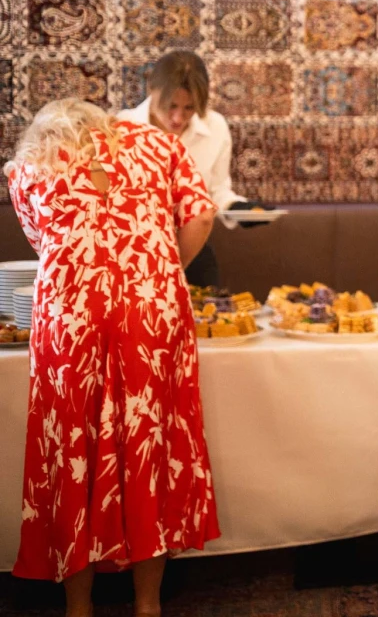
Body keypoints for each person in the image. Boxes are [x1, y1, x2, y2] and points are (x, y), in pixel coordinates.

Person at [4, 100, 219, 617]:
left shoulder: (30, 163)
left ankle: (79, 608)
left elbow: (43, 242)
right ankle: (148, 605)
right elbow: (202, 213)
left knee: (71, 454)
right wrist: (163, 267)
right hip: (151, 311)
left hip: (70, 318)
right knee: (149, 446)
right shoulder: (159, 145)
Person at [119, 50, 258, 291]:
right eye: (170, 105)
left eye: (189, 108)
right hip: (135, 254)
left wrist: (239, 208)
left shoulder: (215, 127)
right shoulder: (122, 128)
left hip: (193, 251)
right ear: (152, 89)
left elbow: (216, 192)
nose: (178, 118)